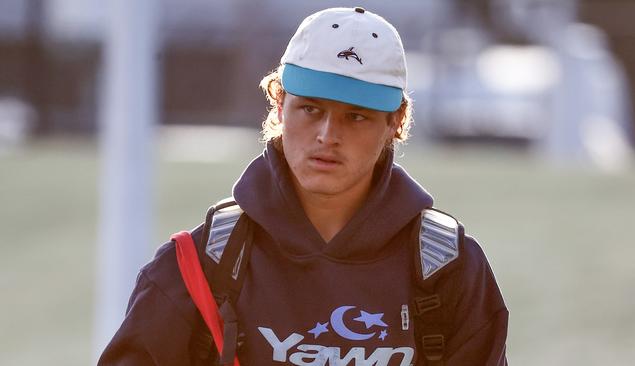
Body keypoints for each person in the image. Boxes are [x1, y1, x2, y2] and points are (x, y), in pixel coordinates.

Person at [99, 7, 508, 366]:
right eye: (311, 108)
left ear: (395, 123)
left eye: (356, 116)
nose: (327, 135)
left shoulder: (449, 270)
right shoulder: (202, 265)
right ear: (280, 106)